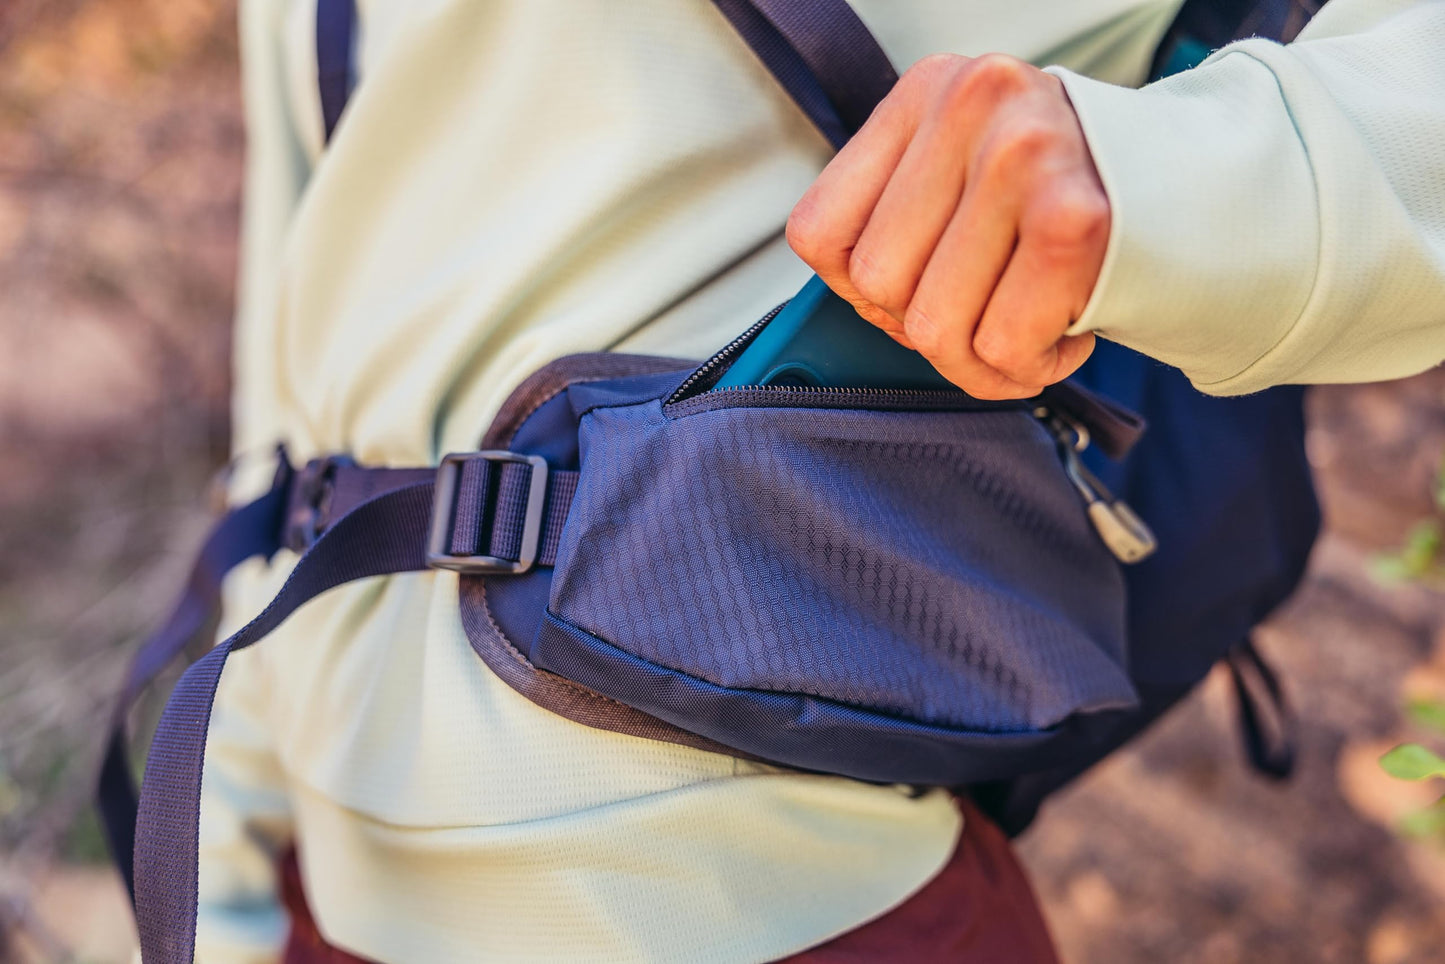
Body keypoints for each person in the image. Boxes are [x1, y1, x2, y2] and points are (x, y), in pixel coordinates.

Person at [201, 0, 1445, 961]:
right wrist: (230, 864)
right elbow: (303, 316)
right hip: (336, 890)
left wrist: (1159, 181)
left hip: (773, 903)